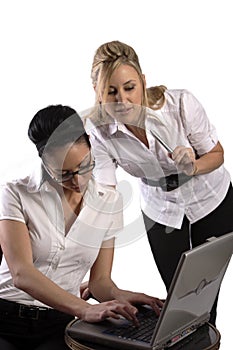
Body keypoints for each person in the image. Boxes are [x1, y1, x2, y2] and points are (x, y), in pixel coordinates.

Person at [84, 40, 233, 327]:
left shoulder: (180, 105)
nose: (123, 100)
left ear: (142, 80)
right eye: (111, 91)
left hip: (212, 201)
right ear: (98, 94)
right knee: (180, 303)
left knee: (205, 299)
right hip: (161, 210)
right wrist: (89, 266)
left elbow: (217, 155)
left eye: (129, 87)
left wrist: (194, 166)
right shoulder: (99, 132)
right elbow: (106, 195)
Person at [0, 104, 163, 350]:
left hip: (61, 322)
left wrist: (122, 295)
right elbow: (22, 274)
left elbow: (99, 282)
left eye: (85, 166)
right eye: (64, 174)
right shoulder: (16, 193)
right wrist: (86, 309)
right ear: (45, 163)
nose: (77, 181)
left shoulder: (109, 201)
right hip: (6, 316)